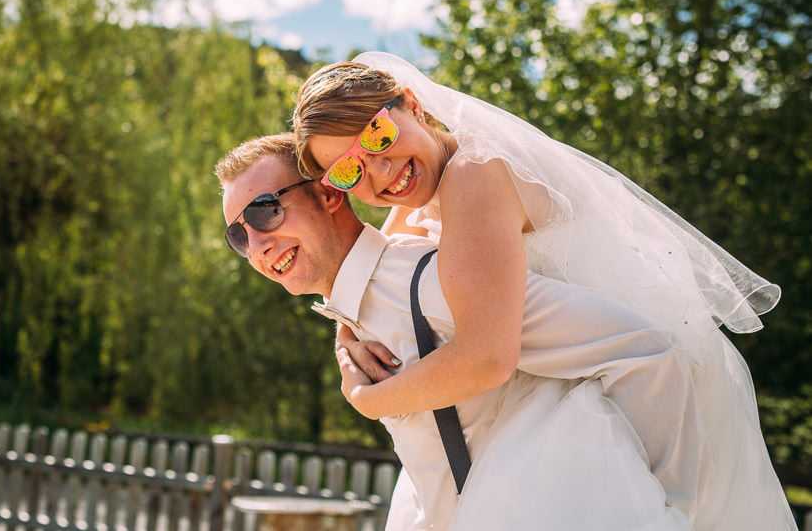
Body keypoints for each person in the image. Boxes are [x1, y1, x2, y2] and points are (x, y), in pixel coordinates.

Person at [291, 52, 796, 531]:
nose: (378, 171)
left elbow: (486, 358)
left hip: (633, 392)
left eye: (377, 135)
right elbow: (387, 255)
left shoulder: (472, 175)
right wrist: (343, 333)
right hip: (591, 378)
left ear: (413, 105)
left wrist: (367, 399)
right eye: (348, 170)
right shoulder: (426, 184)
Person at [215, 133, 699, 530]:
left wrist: (664, 508)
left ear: (327, 193)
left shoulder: (429, 282)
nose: (256, 244)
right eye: (239, 235)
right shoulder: (363, 311)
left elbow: (648, 350)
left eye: (264, 210)